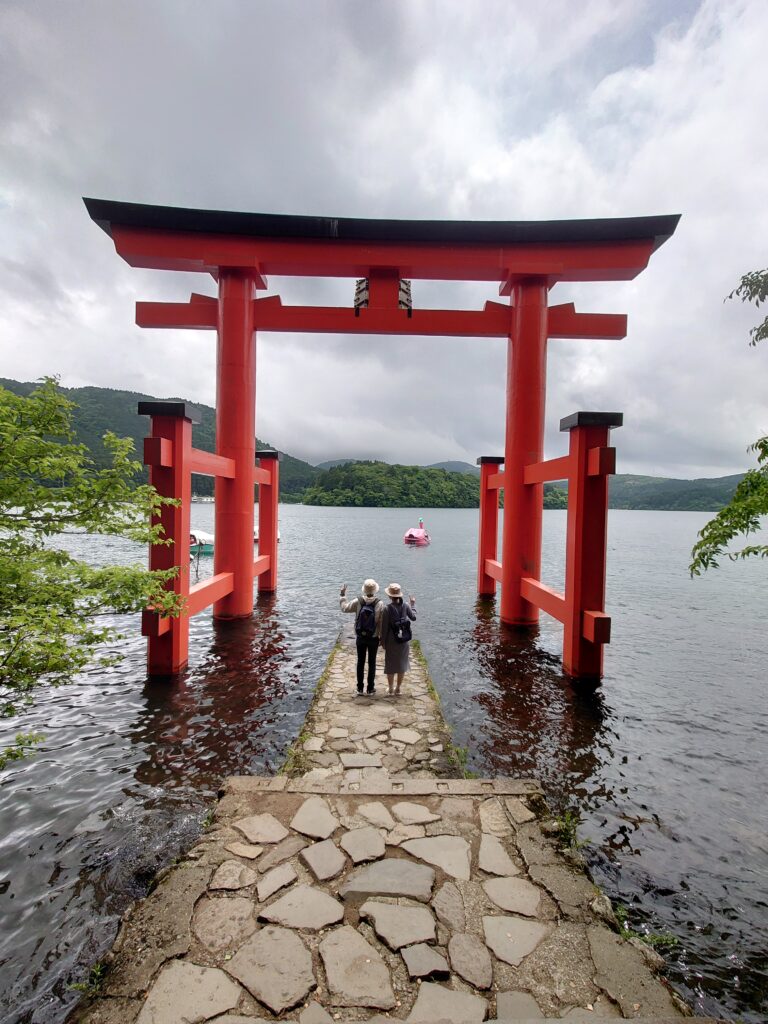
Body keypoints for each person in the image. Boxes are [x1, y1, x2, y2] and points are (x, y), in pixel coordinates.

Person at [339, 579, 385, 695]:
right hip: (373, 637)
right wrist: (382, 637)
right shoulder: (380, 604)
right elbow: (381, 623)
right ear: (375, 590)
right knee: (372, 662)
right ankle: (370, 689)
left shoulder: (358, 601)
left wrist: (343, 595)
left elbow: (345, 608)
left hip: (360, 636)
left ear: (364, 589)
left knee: (360, 662)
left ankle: (359, 688)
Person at [380, 582, 416, 696]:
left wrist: (383, 642)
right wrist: (413, 605)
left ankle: (390, 689)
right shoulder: (406, 605)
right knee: (402, 664)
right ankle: (398, 688)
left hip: (391, 640)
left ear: (390, 596)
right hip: (404, 639)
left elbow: (384, 627)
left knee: (390, 664)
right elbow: (413, 618)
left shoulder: (387, 608)